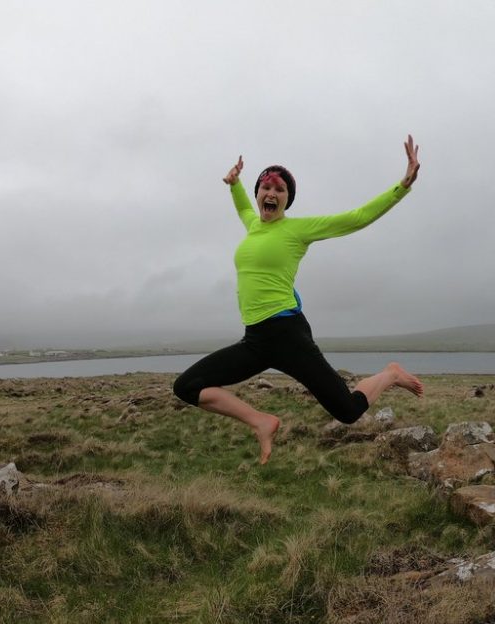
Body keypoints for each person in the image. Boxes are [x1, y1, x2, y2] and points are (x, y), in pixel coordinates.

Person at [173, 135, 424, 464]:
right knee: (187, 386)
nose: (271, 193)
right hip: (255, 340)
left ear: (287, 200)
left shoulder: (297, 230)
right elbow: (243, 207)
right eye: (266, 187)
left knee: (348, 411)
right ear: (259, 194)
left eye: (280, 190)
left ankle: (389, 374)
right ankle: (261, 422)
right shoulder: (252, 225)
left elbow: (357, 217)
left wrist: (402, 186)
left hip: (289, 335)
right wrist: (234, 184)